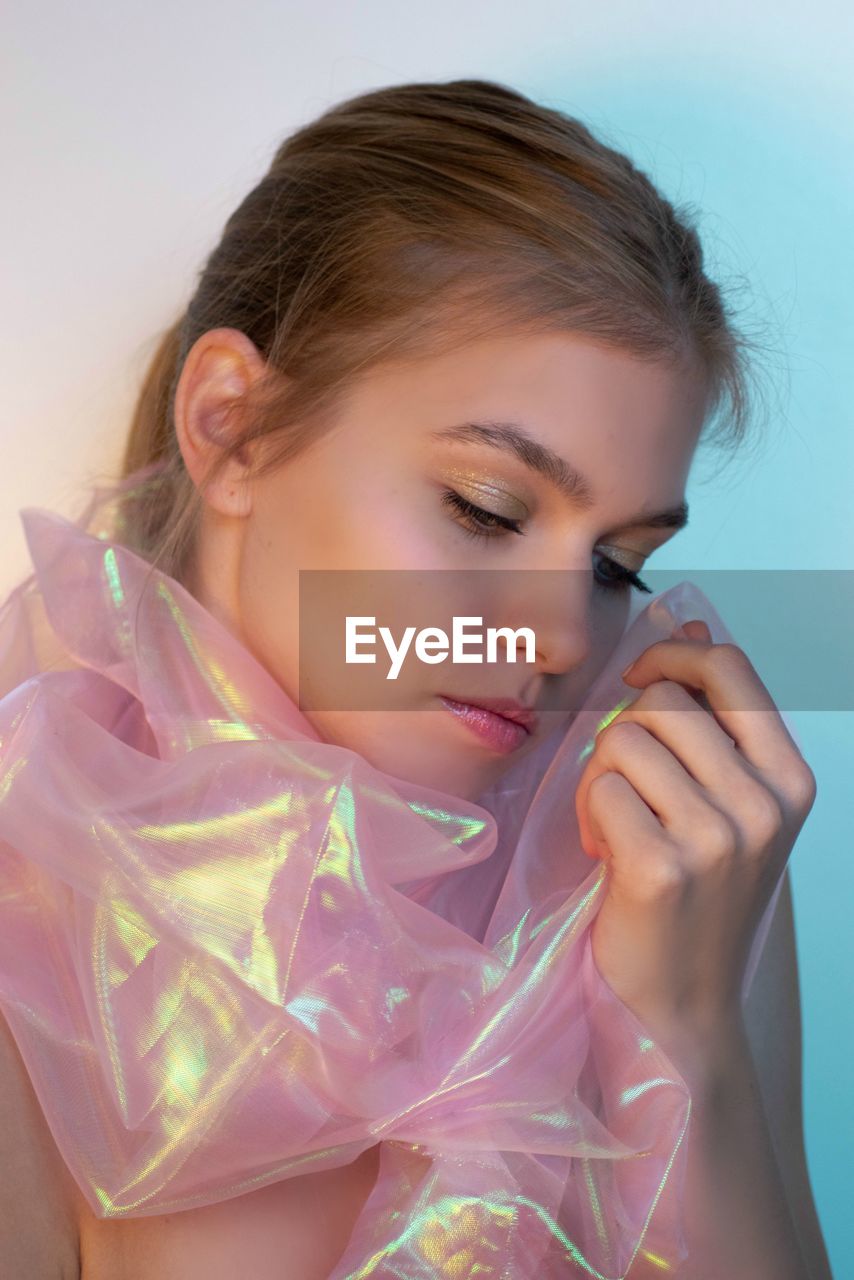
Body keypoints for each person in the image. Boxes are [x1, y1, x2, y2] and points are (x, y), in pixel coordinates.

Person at [0, 78, 832, 1279]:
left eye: (613, 562)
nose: (558, 637)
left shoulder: (671, 855)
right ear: (231, 426)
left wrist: (684, 1035)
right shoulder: (37, 887)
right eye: (485, 508)